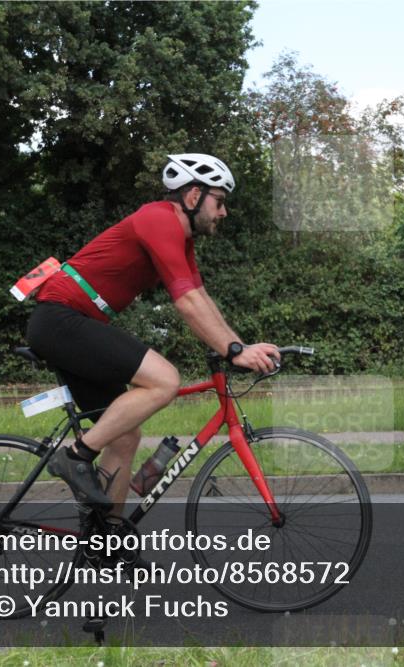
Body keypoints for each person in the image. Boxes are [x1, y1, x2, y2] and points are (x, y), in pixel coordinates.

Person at [26, 153, 280, 511]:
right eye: (219, 202)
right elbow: (186, 301)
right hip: (60, 320)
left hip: (70, 324)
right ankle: (75, 456)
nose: (223, 213)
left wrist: (238, 345)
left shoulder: (181, 237)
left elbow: (200, 297)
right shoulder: (158, 220)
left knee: (124, 435)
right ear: (194, 196)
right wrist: (235, 350)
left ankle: (107, 544)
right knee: (165, 380)